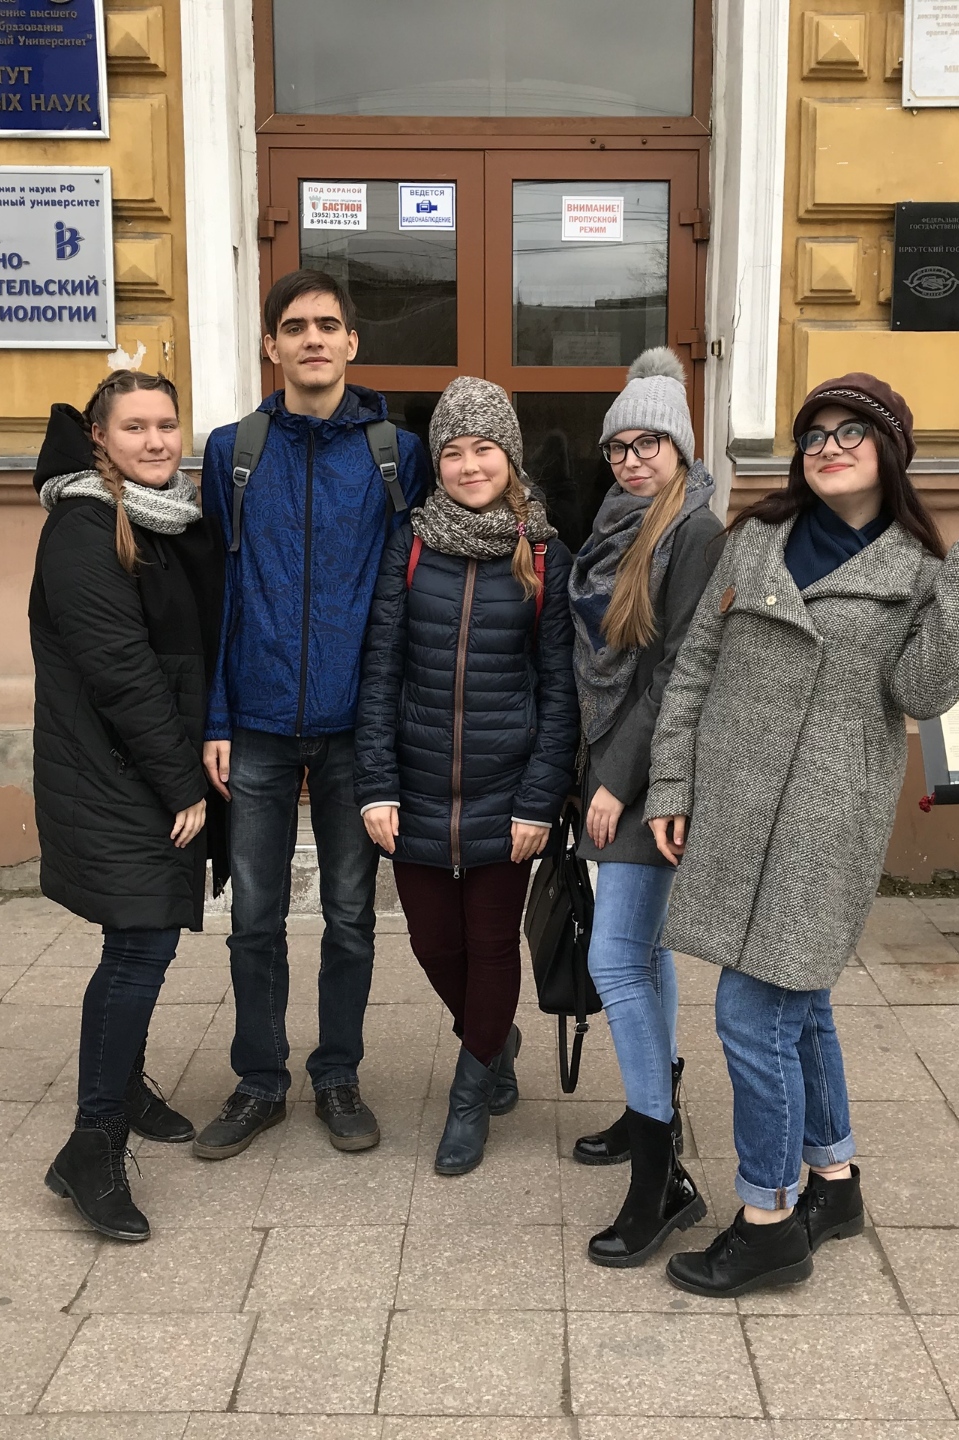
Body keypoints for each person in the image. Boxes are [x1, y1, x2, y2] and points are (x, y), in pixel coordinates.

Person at [647, 374, 959, 1296]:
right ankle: (833, 1181)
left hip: (827, 823)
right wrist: (672, 779)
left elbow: (923, 694)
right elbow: (695, 667)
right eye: (814, 434)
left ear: (889, 449)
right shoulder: (756, 538)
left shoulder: (919, 573)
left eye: (849, 432)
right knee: (803, 1004)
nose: (827, 448)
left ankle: (768, 1220)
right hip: (735, 806)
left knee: (752, 1015)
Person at [193, 270, 431, 1159]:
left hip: (353, 727)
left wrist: (392, 722)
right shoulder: (234, 451)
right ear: (272, 346)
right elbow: (219, 592)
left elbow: (406, 593)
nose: (313, 339)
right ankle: (260, 1081)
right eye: (295, 327)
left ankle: (337, 1075)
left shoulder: (395, 453)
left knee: (350, 915)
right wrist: (217, 717)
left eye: (329, 325)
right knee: (253, 916)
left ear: (353, 342)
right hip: (255, 722)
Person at [355, 377, 579, 1176]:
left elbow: (560, 692)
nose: (469, 464)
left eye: (484, 448)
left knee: (489, 946)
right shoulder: (410, 545)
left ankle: (469, 1090)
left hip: (505, 793)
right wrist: (376, 784)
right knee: (432, 943)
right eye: (453, 451)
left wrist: (538, 801)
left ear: (509, 457)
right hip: (413, 789)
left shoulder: (545, 555)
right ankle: (493, 1038)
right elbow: (379, 671)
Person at [30, 369, 229, 1242]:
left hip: (139, 765)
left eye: (166, 425)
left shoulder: (164, 517)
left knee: (142, 940)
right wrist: (182, 783)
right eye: (135, 427)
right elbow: (121, 670)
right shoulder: (84, 527)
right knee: (139, 946)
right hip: (115, 771)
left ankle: (123, 1089)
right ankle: (92, 1144)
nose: (156, 441)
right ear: (98, 438)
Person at [566, 348, 723, 1268]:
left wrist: (617, 779)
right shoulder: (618, 522)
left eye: (649, 443)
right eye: (619, 446)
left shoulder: (696, 532)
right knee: (646, 956)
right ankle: (645, 1113)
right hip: (612, 764)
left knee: (616, 960)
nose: (631, 460)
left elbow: (676, 674)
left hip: (650, 776)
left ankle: (662, 1181)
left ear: (681, 448)